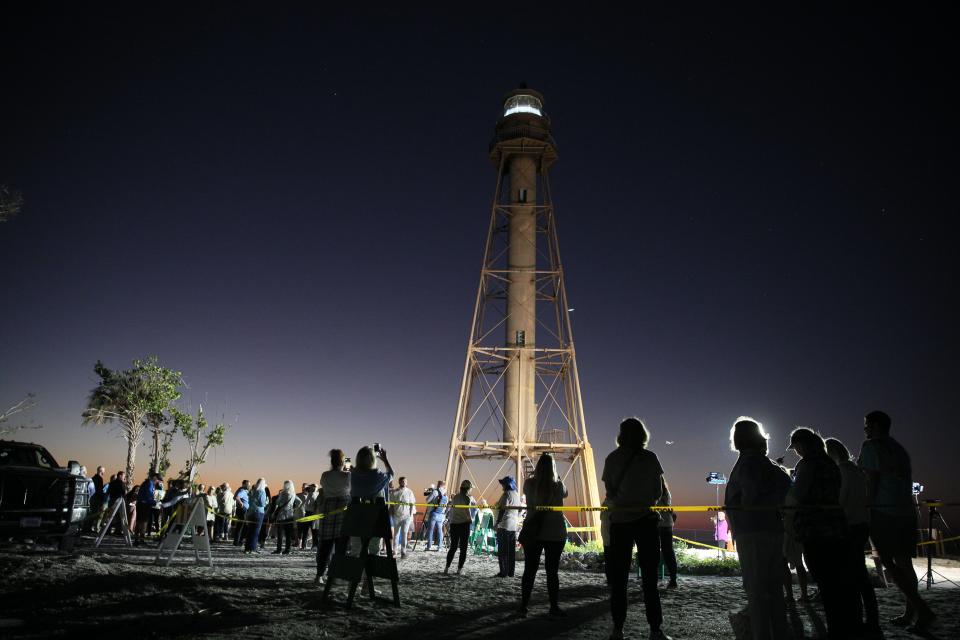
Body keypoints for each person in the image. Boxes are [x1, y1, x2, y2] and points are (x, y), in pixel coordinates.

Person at [858, 410, 935, 632]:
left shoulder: (871, 446)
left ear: (874, 425)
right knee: (904, 563)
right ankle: (911, 612)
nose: (864, 429)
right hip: (906, 511)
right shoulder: (899, 449)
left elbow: (871, 480)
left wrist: (867, 507)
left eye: (866, 425)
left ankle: (923, 610)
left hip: (884, 511)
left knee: (889, 564)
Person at [602, 418, 670, 640]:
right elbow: (658, 492)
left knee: (619, 578)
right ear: (642, 434)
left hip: (620, 522)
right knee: (650, 579)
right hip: (646, 521)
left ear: (621, 434)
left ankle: (618, 629)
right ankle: (655, 630)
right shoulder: (650, 458)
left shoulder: (611, 459)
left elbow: (609, 492)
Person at [788, 427, 859, 639]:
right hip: (836, 526)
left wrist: (787, 517)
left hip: (815, 528)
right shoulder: (830, 463)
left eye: (796, 448)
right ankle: (846, 626)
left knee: (825, 581)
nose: (796, 453)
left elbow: (796, 495)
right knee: (838, 581)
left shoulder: (809, 464)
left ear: (801, 445)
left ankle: (836, 629)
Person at [725, 417, 791, 640]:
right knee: (774, 589)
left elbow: (749, 495)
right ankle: (779, 632)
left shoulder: (747, 463)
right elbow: (786, 488)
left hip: (751, 531)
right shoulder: (771, 466)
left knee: (756, 589)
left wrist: (743, 505)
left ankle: (761, 634)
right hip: (773, 529)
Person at [826, 436, 879, 636]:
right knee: (860, 575)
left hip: (849, 526)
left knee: (851, 575)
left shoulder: (843, 472)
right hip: (862, 524)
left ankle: (858, 620)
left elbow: (841, 500)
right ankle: (872, 618)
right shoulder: (857, 471)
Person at [349, 446, 394, 555]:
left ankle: (355, 570)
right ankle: (372, 570)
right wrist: (385, 460)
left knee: (356, 548)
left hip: (355, 516)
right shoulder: (376, 474)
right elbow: (391, 475)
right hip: (375, 517)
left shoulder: (353, 474)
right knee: (374, 548)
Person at [316, 449, 351, 583]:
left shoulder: (325, 475)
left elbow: (324, 489)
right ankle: (335, 576)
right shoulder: (348, 476)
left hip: (328, 508)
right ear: (343, 462)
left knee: (325, 546)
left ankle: (319, 575)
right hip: (343, 509)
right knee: (341, 547)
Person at [444, 479, 477, 575]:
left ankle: (447, 567)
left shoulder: (455, 497)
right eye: (470, 488)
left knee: (453, 547)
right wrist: (470, 519)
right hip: (463, 524)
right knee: (463, 548)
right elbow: (467, 511)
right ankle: (459, 569)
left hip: (454, 524)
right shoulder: (467, 498)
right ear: (468, 488)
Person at [494, 475, 521, 578]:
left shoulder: (506, 494)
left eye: (503, 484)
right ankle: (511, 572)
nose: (502, 486)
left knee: (502, 551)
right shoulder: (517, 495)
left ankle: (503, 572)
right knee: (511, 552)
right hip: (513, 526)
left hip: (504, 525)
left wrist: (497, 522)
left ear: (507, 485)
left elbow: (503, 508)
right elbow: (520, 509)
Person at [270, 480, 303, 555]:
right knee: (288, 534)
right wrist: (294, 508)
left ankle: (279, 550)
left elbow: (277, 503)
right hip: (290, 515)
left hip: (281, 515)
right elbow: (300, 502)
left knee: (280, 534)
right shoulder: (293, 494)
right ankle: (287, 550)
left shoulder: (283, 493)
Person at [656, 477, 678, 589]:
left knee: (653, 552)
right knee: (669, 552)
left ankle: (653, 579)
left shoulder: (655, 492)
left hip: (657, 524)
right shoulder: (667, 493)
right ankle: (673, 579)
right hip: (667, 524)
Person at [391, 476, 416, 558]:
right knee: (396, 534)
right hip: (397, 515)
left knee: (404, 533)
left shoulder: (410, 492)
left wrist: (410, 515)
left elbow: (412, 504)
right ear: (399, 482)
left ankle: (403, 551)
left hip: (406, 517)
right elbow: (391, 504)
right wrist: (392, 514)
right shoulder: (394, 492)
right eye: (403, 481)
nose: (404, 483)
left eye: (405, 481)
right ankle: (395, 551)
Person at [422, 480, 448, 551]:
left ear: (439, 484)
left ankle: (429, 546)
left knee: (431, 530)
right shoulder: (445, 494)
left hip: (434, 513)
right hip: (441, 514)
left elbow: (427, 500)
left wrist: (430, 494)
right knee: (440, 530)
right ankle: (440, 547)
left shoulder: (435, 492)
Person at [245, 478, 268, 554]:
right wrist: (266, 502)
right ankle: (253, 549)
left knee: (250, 531)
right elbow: (262, 504)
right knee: (256, 532)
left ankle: (247, 548)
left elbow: (249, 501)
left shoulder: (253, 491)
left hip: (251, 512)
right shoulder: (262, 492)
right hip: (258, 513)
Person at [134, 474, 157, 545]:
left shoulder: (145, 483)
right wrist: (154, 502)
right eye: (157, 480)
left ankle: (136, 539)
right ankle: (141, 540)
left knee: (138, 522)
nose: (157, 481)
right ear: (154, 478)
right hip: (144, 505)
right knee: (143, 523)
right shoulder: (150, 484)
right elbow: (149, 495)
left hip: (140, 504)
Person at [233, 480, 250, 546]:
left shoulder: (242, 490)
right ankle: (238, 542)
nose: (249, 486)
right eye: (248, 485)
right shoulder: (242, 491)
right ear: (244, 485)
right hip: (242, 510)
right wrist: (241, 503)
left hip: (243, 509)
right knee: (241, 526)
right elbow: (236, 497)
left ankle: (238, 541)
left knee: (241, 526)